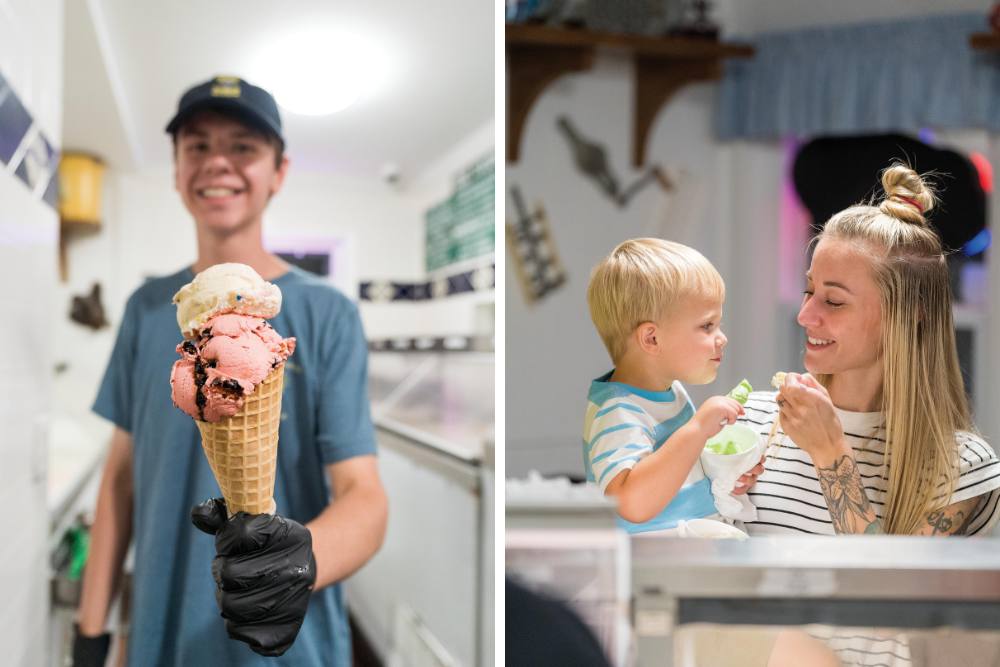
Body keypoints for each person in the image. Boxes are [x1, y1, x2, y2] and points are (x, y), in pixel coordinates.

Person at [72, 76, 388, 666]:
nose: (218, 162)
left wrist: (299, 560)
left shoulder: (328, 312)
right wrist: (90, 637)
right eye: (197, 145)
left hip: (287, 645)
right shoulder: (147, 308)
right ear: (176, 170)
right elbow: (119, 481)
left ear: (279, 171)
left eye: (244, 146)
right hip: (160, 633)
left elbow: (364, 495)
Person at [740, 163, 1000, 536]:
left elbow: (893, 591)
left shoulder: (961, 466)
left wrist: (830, 452)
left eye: (834, 301)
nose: (804, 316)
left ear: (910, 314)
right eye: (809, 291)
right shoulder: (750, 420)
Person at [583, 238, 763, 534]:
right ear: (652, 339)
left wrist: (724, 478)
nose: (722, 338)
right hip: (651, 561)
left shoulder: (669, 393)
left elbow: (678, 472)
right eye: (708, 326)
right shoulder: (618, 411)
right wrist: (697, 429)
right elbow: (630, 504)